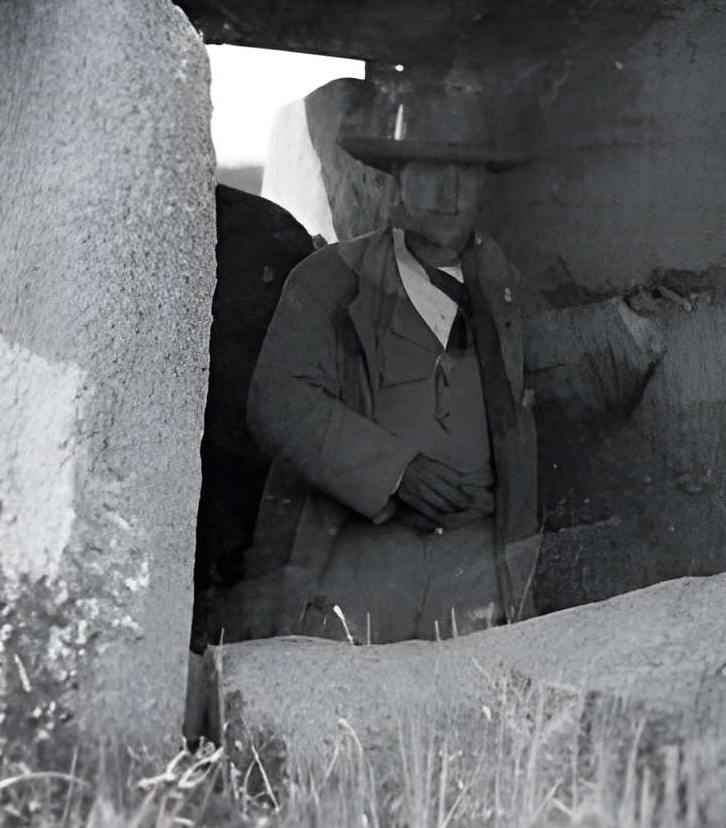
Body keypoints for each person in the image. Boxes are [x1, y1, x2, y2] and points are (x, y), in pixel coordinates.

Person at [214, 79, 680, 661]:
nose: (448, 189)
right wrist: (396, 472)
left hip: (478, 571)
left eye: (466, 171)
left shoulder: (506, 291)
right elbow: (279, 402)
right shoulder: (328, 280)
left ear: (484, 185)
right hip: (355, 566)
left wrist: (638, 320)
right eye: (428, 168)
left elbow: (557, 366)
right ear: (397, 176)